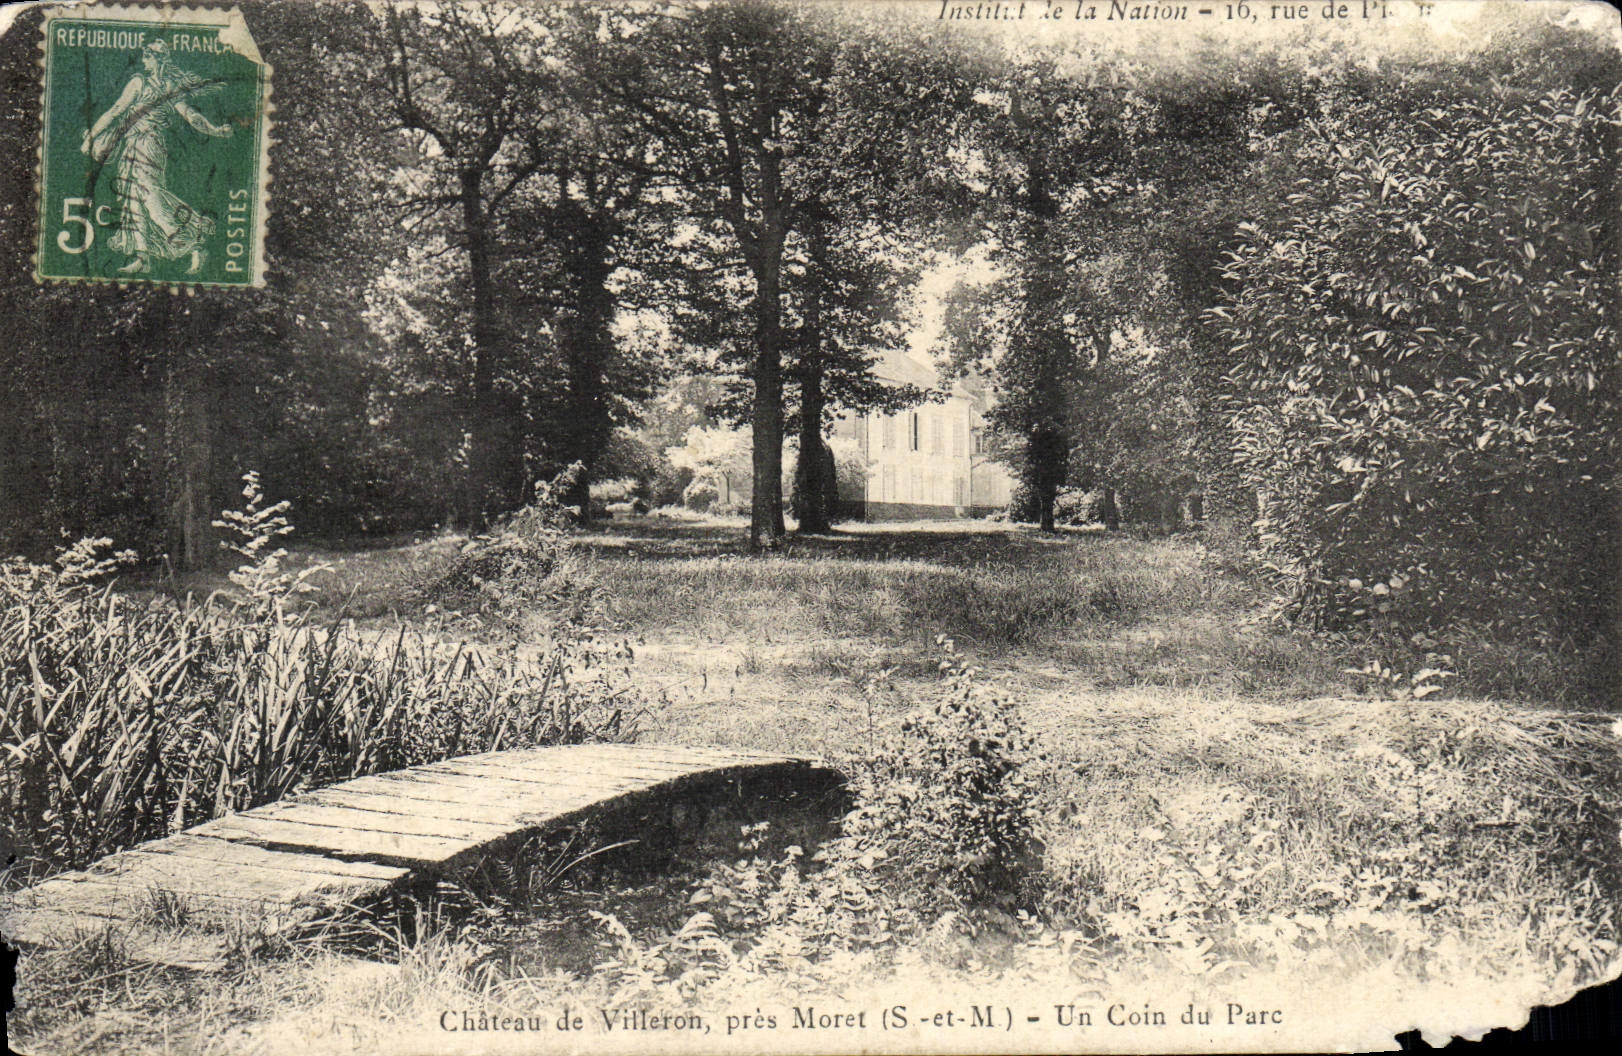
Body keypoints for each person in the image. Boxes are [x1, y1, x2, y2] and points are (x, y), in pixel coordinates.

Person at [80, 39, 234, 275]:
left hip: (149, 145)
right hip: (131, 144)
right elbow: (116, 110)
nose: (143, 60)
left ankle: (191, 239)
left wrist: (214, 130)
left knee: (149, 195)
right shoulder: (144, 82)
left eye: (147, 55)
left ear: (158, 58)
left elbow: (189, 115)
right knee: (131, 198)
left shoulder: (153, 84)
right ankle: (143, 258)